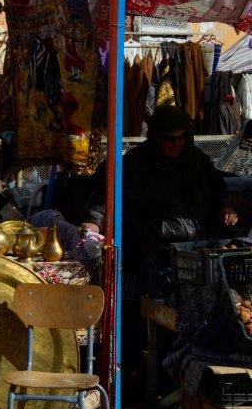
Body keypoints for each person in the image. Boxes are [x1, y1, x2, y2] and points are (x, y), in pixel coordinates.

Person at [83, 105, 237, 295]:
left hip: (196, 248)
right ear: (156, 137)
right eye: (170, 139)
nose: (177, 144)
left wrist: (225, 207)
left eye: (181, 137)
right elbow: (105, 196)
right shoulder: (134, 164)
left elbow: (218, 189)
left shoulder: (198, 160)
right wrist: (94, 222)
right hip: (153, 252)